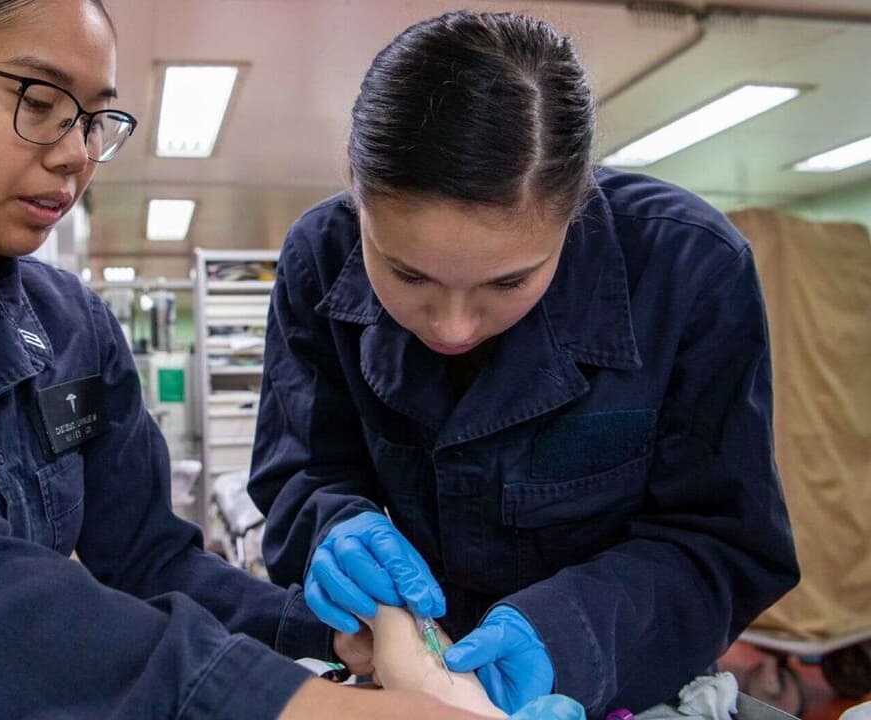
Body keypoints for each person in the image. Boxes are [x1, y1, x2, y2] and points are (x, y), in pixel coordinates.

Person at [0, 1, 584, 717]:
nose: (75, 154)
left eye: (97, 118)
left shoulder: (70, 328)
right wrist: (291, 704)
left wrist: (347, 640)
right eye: (38, 101)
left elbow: (152, 563)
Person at [248, 10, 801, 718]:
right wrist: (333, 530)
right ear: (356, 190)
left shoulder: (689, 269)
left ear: (574, 211)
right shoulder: (318, 259)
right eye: (407, 275)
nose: (451, 326)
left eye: (507, 283)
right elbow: (303, 472)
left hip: (619, 668)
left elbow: (723, 543)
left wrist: (572, 638)